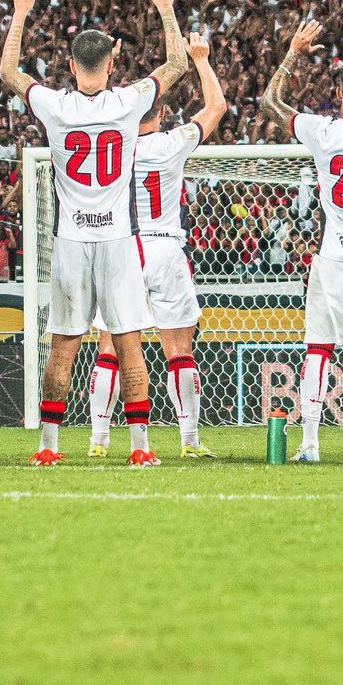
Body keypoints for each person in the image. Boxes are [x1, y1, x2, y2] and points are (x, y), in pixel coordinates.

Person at [0, 0, 188, 467]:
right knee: (128, 341)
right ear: (113, 62)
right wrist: (165, 7)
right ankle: (142, 449)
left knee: (63, 345)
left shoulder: (57, 106)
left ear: (70, 62)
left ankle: (48, 448)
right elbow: (176, 66)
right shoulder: (128, 102)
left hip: (70, 239)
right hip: (119, 240)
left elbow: (8, 74)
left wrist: (18, 14)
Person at [259, 20, 343, 464]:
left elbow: (270, 102)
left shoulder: (322, 132)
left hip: (333, 256)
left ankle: (311, 444)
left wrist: (293, 53)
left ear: (338, 95)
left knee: (319, 349)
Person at [86, 29, 227, 461]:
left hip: (123, 249)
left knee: (111, 348)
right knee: (179, 351)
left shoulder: (112, 148)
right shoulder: (171, 144)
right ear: (162, 113)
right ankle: (189, 442)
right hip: (166, 248)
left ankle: (99, 441)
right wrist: (200, 58)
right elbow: (217, 107)